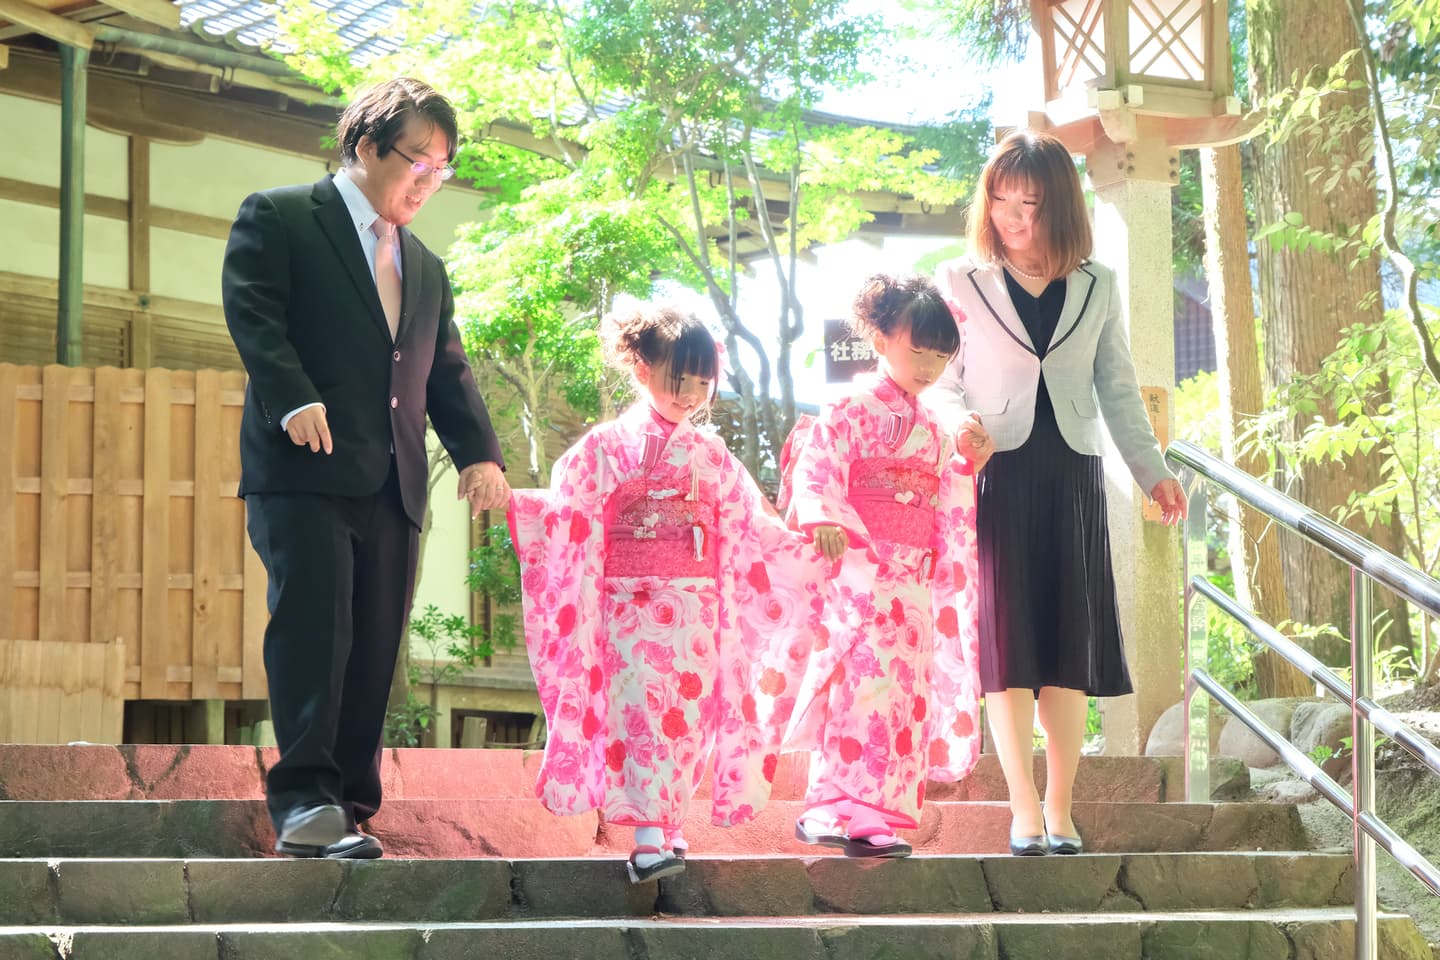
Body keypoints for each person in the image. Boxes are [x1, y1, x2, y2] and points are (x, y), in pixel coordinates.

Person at [222, 77, 510, 860]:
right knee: (316, 632)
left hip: (394, 481)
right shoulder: (281, 216)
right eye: (418, 161)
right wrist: (291, 398)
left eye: (442, 170)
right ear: (365, 146)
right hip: (304, 470)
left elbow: (444, 371)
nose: (427, 181)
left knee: (376, 643)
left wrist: (481, 453)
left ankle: (349, 801)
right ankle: (303, 802)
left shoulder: (425, 266)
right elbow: (253, 311)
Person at [931, 129, 1187, 856]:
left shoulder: (1097, 283)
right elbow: (944, 381)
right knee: (1009, 650)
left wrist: (1153, 471)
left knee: (1068, 646)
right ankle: (1021, 808)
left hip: (1074, 474)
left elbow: (1116, 386)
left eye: (1031, 203)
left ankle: (1062, 807)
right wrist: (959, 427)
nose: (1014, 217)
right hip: (998, 474)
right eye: (1002, 201)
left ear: (1061, 206)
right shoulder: (960, 282)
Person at [508, 304, 827, 884]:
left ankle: (669, 824)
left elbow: (751, 525)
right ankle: (651, 838)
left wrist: (805, 551)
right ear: (641, 369)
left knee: (686, 722)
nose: (692, 395)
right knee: (642, 718)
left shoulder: (710, 455)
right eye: (680, 381)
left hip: (696, 614)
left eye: (703, 383)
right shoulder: (603, 449)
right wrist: (517, 505)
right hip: (627, 610)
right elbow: (567, 515)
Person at [782, 274, 983, 859]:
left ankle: (872, 810)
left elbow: (947, 495)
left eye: (941, 355)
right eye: (917, 350)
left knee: (902, 695)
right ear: (880, 338)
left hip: (912, 583)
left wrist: (968, 464)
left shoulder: (934, 430)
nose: (928, 366)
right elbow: (817, 466)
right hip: (860, 572)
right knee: (858, 686)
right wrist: (823, 517)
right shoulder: (847, 406)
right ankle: (830, 805)